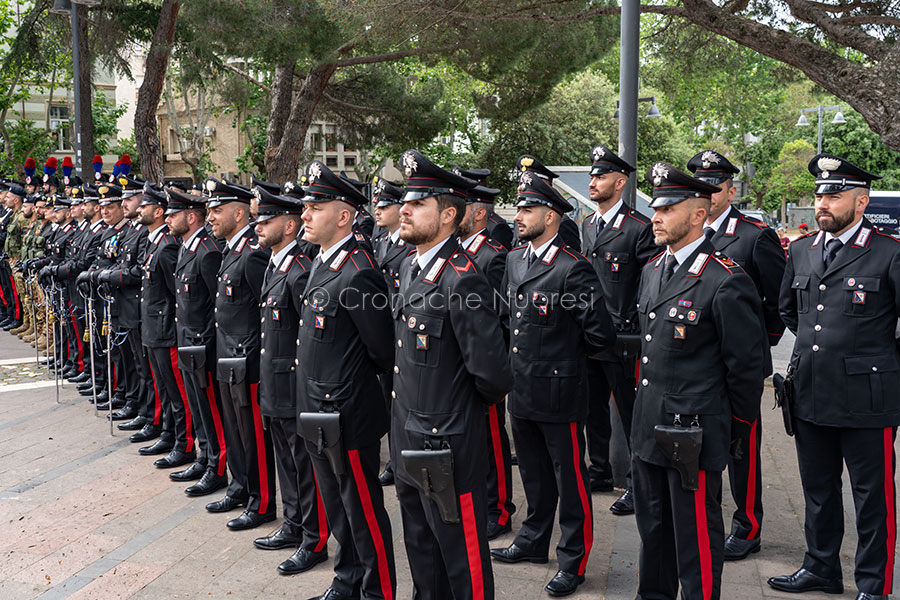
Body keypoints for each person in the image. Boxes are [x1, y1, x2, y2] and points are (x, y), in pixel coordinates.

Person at [631, 162, 765, 600]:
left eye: (668, 209)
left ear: (697, 215)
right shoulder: (653, 269)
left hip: (692, 434)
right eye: (655, 208)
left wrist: (732, 434)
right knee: (653, 532)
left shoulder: (725, 279)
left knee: (696, 539)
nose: (656, 216)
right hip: (650, 428)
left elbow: (746, 371)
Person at [770, 154, 899, 600]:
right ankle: (821, 568)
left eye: (833, 195)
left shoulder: (889, 251)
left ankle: (873, 585)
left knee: (872, 499)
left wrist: (878, 364)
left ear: (860, 202)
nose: (822, 203)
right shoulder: (803, 249)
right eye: (820, 194)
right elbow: (790, 310)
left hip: (867, 396)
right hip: (810, 389)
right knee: (818, 490)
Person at [392, 149, 512, 599]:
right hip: (408, 434)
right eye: (406, 199)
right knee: (422, 553)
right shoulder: (411, 266)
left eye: (417, 203)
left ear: (448, 216)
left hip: (446, 445)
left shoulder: (462, 279)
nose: (404, 208)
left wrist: (454, 414)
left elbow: (494, 376)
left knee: (462, 560)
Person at [490, 165, 615, 597]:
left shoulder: (572, 268)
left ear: (553, 215)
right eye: (519, 207)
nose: (519, 215)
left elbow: (599, 333)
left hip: (560, 390)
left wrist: (564, 357)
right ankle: (531, 541)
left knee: (569, 479)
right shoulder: (513, 258)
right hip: (522, 387)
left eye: (529, 208)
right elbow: (509, 319)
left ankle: (574, 558)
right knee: (534, 475)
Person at [297, 160, 396, 600]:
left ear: (343, 216)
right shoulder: (320, 263)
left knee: (363, 511)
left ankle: (377, 590)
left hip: (348, 413)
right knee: (336, 506)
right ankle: (347, 578)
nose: (304, 213)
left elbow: (382, 350)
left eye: (315, 206)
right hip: (316, 408)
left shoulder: (359, 271)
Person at [687, 149, 787, 561]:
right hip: (694, 361)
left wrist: (756, 344)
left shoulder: (752, 235)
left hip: (737, 364)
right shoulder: (688, 230)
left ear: (730, 190)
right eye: (702, 186)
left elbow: (777, 299)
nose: (709, 194)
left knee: (741, 448)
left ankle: (747, 526)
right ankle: (701, 516)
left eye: (716, 186)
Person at [252, 186, 329, 576]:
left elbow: (306, 338)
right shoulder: (276, 262)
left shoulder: (299, 269)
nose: (259, 228)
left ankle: (313, 538)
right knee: (286, 460)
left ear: (289, 224)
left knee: (303, 463)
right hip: (274, 382)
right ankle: (294, 523)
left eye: (266, 222)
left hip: (294, 384)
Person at [580, 144, 658, 515]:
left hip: (625, 338)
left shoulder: (639, 228)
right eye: (592, 176)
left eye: (600, 176)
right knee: (592, 407)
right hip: (590, 333)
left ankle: (635, 482)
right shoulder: (588, 224)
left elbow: (648, 286)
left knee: (631, 414)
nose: (593, 182)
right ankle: (598, 469)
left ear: (620, 181)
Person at [204, 178, 276, 530]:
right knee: (234, 430)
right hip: (225, 355)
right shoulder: (232, 248)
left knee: (253, 435)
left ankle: (261, 501)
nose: (210, 217)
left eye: (216, 210)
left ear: (238, 212)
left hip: (245, 360)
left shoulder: (251, 253)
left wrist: (252, 352)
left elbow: (266, 309)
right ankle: (240, 486)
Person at [456, 181, 516, 540]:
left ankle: (500, 508)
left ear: (480, 213)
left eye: (463, 206)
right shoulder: (458, 252)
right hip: (457, 364)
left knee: (493, 438)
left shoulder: (493, 256)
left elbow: (495, 317)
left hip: (483, 362)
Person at [165, 187, 229, 497]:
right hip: (187, 342)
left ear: (191, 217)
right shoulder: (187, 247)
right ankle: (205, 458)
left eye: (173, 214)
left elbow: (214, 307)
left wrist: (205, 344)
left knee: (211, 410)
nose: (168, 218)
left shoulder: (207, 250)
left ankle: (217, 467)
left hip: (202, 347)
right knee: (198, 407)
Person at [134, 183, 196, 467]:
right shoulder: (155, 243)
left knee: (178, 393)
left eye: (144, 206)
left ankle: (184, 444)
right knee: (165, 389)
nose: (138, 210)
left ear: (157, 212)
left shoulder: (168, 246)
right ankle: (170, 434)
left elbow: (177, 295)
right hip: (153, 329)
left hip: (166, 331)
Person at [370, 176, 412, 487]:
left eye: (385, 205)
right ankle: (394, 459)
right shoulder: (380, 242)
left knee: (402, 403)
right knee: (387, 401)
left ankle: (401, 462)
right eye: (377, 204)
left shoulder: (410, 245)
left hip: (404, 330)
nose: (378, 210)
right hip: (385, 329)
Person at [514, 155, 582, 252]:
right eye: (521, 183)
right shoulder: (520, 219)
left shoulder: (562, 223)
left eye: (528, 183)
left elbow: (571, 259)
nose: (520, 188)